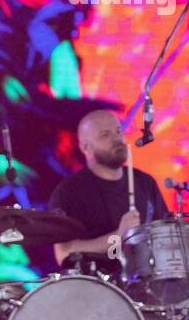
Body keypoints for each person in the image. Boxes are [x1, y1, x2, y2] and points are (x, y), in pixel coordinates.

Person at [49, 109, 170, 276]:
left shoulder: (144, 183)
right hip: (96, 290)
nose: (116, 139)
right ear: (86, 147)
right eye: (105, 135)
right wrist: (118, 237)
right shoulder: (69, 192)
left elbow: (164, 234)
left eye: (118, 131)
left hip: (146, 286)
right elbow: (63, 254)